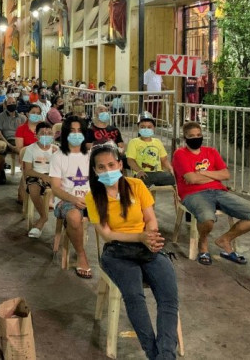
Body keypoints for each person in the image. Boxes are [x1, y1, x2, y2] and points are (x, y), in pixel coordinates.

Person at [87, 144, 179, 360]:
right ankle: (152, 352)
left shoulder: (136, 185)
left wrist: (151, 238)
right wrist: (139, 237)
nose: (108, 170)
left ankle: (165, 355)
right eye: (101, 167)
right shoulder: (94, 197)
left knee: (169, 298)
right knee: (135, 297)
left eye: (111, 164)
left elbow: (151, 219)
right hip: (117, 252)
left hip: (147, 246)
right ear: (95, 171)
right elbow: (107, 234)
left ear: (120, 164)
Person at [171, 121, 250, 265]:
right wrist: (213, 175)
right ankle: (203, 244)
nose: (196, 138)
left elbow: (226, 174)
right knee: (207, 219)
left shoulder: (211, 152)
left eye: (199, 135)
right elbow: (191, 178)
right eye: (192, 136)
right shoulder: (180, 154)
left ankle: (225, 239)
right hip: (193, 194)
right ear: (185, 137)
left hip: (219, 191)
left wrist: (203, 173)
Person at [49, 116, 92, 279]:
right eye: (72, 131)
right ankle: (81, 255)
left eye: (80, 130)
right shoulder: (58, 156)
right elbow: (55, 188)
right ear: (66, 134)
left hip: (91, 200)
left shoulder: (91, 155)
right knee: (74, 217)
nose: (76, 134)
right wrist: (74, 199)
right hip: (67, 201)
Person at [23, 122, 58, 238]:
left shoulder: (56, 149)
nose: (46, 135)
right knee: (33, 188)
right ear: (36, 135)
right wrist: (43, 176)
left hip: (53, 176)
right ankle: (44, 217)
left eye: (49, 133)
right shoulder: (30, 149)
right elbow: (28, 170)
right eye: (42, 133)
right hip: (36, 175)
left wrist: (56, 157)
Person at [126, 112, 176, 187]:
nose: (146, 129)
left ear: (154, 128)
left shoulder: (158, 142)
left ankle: (152, 183)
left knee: (172, 178)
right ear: (138, 127)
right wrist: (139, 171)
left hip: (158, 173)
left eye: (149, 127)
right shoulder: (133, 142)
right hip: (142, 173)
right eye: (142, 127)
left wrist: (170, 168)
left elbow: (164, 160)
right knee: (143, 179)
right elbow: (130, 160)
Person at [0, 96, 27, 185]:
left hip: (18, 140)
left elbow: (26, 132)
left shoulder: (22, 118)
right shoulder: (0, 117)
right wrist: (9, 145)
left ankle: (27, 176)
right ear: (5, 105)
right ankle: (1, 173)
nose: (12, 105)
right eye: (9, 103)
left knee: (28, 150)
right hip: (5, 140)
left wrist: (19, 145)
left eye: (13, 103)